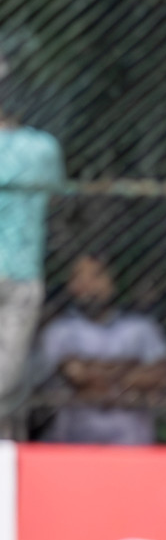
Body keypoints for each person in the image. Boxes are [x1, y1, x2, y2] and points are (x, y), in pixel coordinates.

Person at [36, 253, 166, 444]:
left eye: (96, 276)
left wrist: (93, 371)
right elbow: (75, 373)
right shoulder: (59, 332)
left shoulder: (141, 328)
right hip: (72, 446)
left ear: (112, 281)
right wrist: (131, 370)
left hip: (134, 448)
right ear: (70, 286)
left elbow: (163, 374)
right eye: (79, 278)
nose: (88, 286)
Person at [0, 96, 63, 431]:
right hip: (22, 270)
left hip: (21, 270)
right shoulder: (42, 147)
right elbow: (54, 196)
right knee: (10, 374)